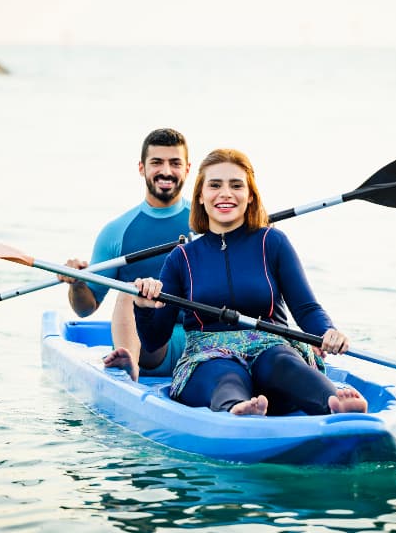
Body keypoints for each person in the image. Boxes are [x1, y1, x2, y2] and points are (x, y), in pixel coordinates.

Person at [132, 148, 367, 416]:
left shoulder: (272, 242)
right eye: (215, 185)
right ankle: (237, 409)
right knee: (226, 375)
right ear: (200, 196)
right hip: (208, 356)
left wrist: (327, 331)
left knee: (281, 362)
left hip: (271, 348)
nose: (225, 193)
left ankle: (332, 402)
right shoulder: (181, 257)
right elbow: (154, 341)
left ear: (250, 195)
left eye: (236, 185)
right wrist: (144, 307)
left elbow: (306, 309)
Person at [58, 128, 191, 381]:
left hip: (203, 340)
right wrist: (77, 284)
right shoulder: (117, 232)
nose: (166, 171)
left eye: (175, 163)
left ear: (187, 169)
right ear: (141, 168)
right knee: (130, 290)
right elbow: (85, 310)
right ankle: (128, 363)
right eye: (157, 162)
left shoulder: (209, 224)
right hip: (149, 346)